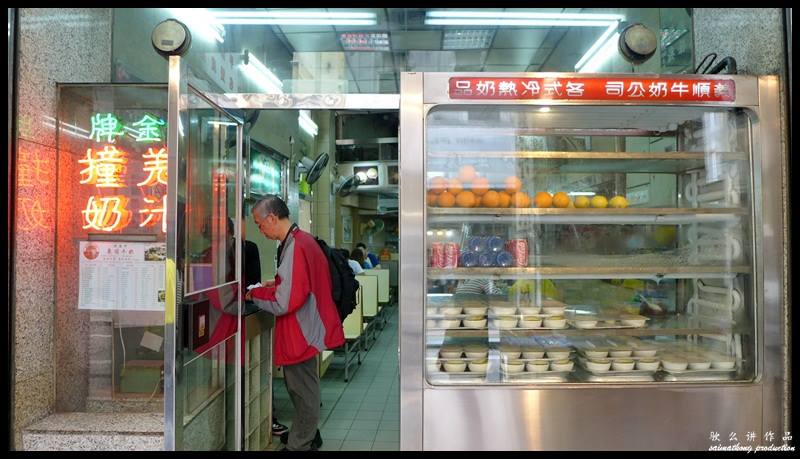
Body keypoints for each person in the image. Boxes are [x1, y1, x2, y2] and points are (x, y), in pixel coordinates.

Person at [246, 195, 345, 452]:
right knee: (304, 389)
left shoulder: (295, 247)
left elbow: (284, 302)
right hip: (308, 327)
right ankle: (310, 436)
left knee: (302, 393)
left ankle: (299, 445)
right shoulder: (301, 240)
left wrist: (254, 294)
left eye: (259, 223)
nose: (259, 229)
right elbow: (298, 285)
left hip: (301, 331)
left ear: (272, 217)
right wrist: (274, 284)